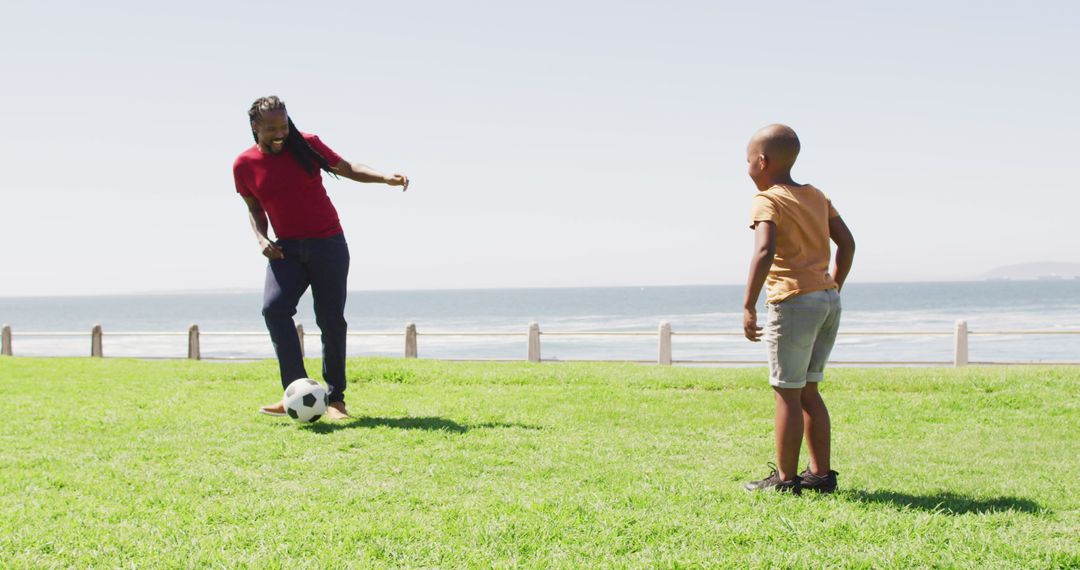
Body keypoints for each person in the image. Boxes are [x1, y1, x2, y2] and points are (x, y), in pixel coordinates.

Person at [233, 96, 408, 420]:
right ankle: (295, 393)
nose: (280, 133)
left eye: (284, 126)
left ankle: (335, 399)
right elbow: (255, 208)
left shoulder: (307, 145)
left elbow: (347, 167)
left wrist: (383, 177)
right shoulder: (244, 165)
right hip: (285, 249)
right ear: (255, 127)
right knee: (274, 310)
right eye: (271, 128)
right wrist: (261, 239)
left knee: (330, 319)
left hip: (328, 244)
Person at [740, 124, 855, 493]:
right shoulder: (817, 195)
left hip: (792, 301)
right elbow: (847, 244)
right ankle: (821, 475)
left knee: (786, 391)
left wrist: (748, 305)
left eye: (747, 161)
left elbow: (764, 250)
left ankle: (785, 480)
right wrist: (832, 283)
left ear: (761, 161)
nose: (747, 168)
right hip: (827, 300)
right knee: (809, 389)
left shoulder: (767, 200)